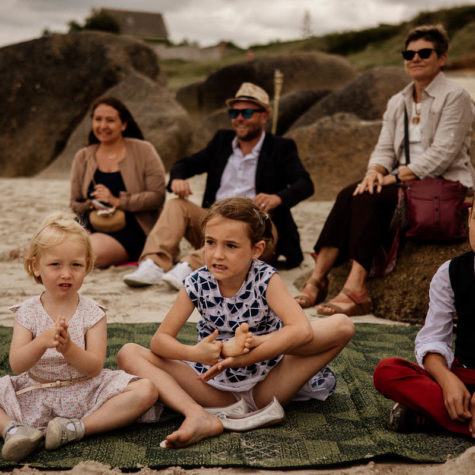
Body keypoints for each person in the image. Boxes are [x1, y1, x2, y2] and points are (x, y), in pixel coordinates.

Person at [117, 197, 355, 448]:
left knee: (342, 325)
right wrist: (194, 353)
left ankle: (240, 404)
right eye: (210, 243)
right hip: (214, 389)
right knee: (128, 352)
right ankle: (196, 414)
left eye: (231, 246)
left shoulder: (265, 279)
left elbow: (301, 329)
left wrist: (248, 352)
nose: (217, 255)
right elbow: (160, 341)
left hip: (267, 383)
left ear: (256, 249)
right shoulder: (196, 282)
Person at [295, 24, 474, 316]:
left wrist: (390, 177)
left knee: (369, 198)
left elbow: (444, 153)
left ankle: (356, 289)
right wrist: (374, 172)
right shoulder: (398, 101)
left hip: (442, 181)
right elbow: (385, 148)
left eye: (423, 52)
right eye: (409, 53)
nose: (414, 58)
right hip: (403, 181)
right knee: (350, 192)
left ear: (441, 58)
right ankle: (318, 278)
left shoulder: (455, 97)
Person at [123, 82, 314, 289]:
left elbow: (305, 184)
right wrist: (177, 178)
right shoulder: (222, 141)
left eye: (246, 112)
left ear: (264, 116)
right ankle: (154, 264)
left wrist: (277, 198)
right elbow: (185, 164)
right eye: (234, 113)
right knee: (176, 205)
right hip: (214, 220)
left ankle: (190, 266)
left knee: (240, 225)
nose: (238, 118)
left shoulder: (281, 147)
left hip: (260, 225)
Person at [0, 214, 159, 462]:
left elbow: (95, 367)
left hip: (86, 392)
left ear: (87, 265)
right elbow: (17, 364)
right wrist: (42, 342)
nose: (66, 274)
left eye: (76, 265)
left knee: (146, 389)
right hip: (35, 393)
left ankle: (76, 428)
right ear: (35, 266)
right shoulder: (27, 312)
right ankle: (14, 430)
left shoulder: (93, 313)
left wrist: (69, 349)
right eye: (55, 265)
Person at [373, 201, 475, 438]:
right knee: (387, 371)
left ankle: (428, 419)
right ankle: (460, 415)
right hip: (464, 376)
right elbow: (434, 338)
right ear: (469, 218)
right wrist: (447, 380)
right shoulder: (450, 272)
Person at [70, 96, 166, 268]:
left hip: (132, 229)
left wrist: (116, 201)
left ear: (123, 124)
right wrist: (92, 204)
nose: (103, 126)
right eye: (98, 119)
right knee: (56, 245)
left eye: (110, 120)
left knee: (85, 252)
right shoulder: (83, 156)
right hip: (90, 224)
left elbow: (157, 196)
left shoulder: (144, 150)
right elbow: (75, 202)